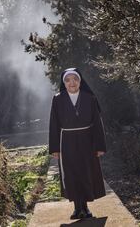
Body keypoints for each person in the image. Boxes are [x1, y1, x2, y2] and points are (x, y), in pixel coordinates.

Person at [49, 68, 107, 219]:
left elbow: (97, 123)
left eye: (75, 79)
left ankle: (86, 208)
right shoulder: (57, 99)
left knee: (86, 172)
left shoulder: (90, 98)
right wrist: (55, 148)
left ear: (80, 81)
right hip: (66, 140)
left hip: (86, 140)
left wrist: (100, 146)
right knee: (71, 173)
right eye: (68, 80)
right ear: (64, 83)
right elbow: (53, 124)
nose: (71, 83)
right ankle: (76, 208)